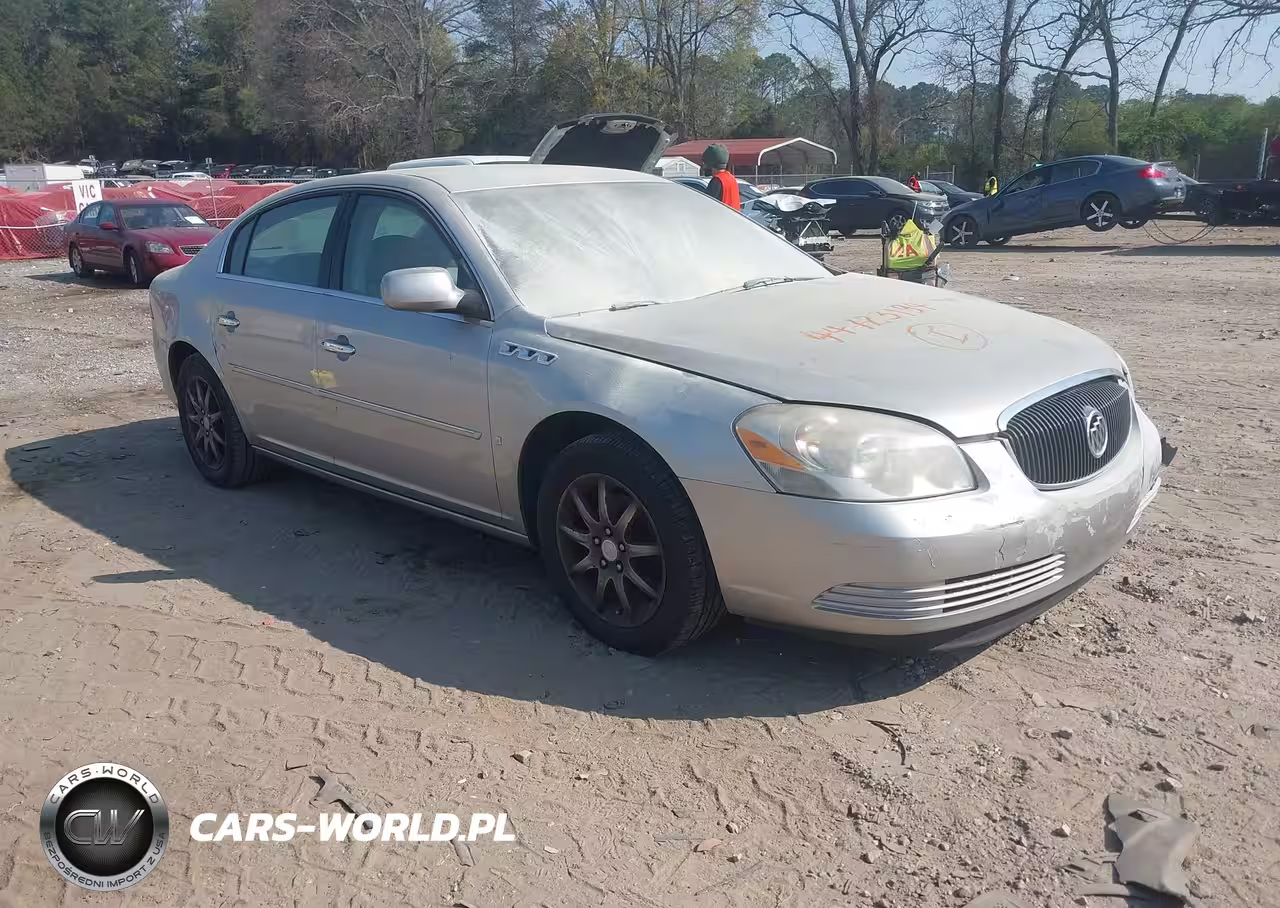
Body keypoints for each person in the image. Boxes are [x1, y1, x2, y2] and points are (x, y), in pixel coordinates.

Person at [702, 144, 741, 210]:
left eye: (705, 163)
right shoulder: (732, 179)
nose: (703, 166)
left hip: (721, 219)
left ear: (710, 164)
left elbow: (707, 206)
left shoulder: (716, 181)